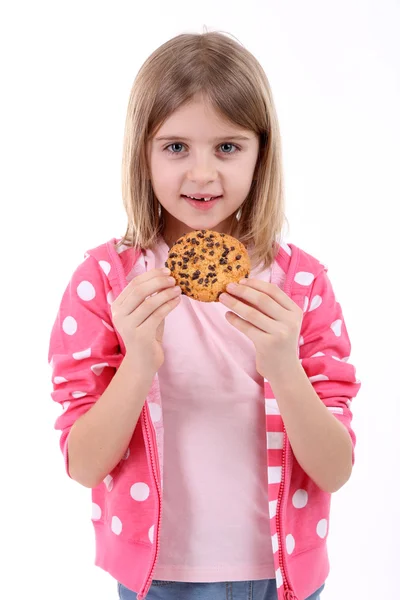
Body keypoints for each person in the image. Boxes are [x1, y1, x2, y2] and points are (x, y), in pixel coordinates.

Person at [48, 30, 361, 600]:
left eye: (227, 147)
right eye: (175, 147)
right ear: (141, 152)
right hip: (160, 579)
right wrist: (138, 361)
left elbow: (336, 470)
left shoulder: (303, 284)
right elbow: (84, 466)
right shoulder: (106, 283)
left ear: (261, 152)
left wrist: (284, 367)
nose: (201, 174)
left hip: (283, 575)